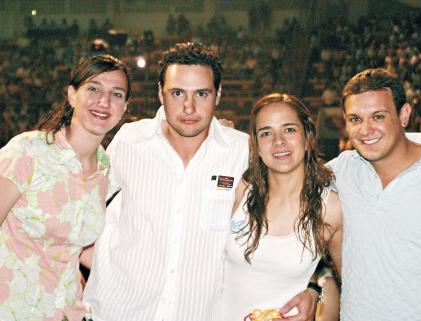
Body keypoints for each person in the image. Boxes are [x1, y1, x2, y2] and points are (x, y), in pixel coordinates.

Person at [83, 42, 319, 321]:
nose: (189, 106)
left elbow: (295, 218)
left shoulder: (243, 152)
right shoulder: (130, 140)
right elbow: (78, 211)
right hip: (117, 313)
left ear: (217, 95)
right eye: (177, 92)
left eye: (202, 94)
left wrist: (316, 285)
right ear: (160, 92)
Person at [329, 68, 421, 321]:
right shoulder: (344, 169)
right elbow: (285, 178)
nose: (366, 130)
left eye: (378, 116)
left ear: (404, 115)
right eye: (355, 119)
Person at [0, 54, 131, 321]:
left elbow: (78, 249)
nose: (104, 102)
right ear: (72, 95)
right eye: (93, 88)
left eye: (116, 94)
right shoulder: (28, 151)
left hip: (66, 313)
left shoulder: (106, 172)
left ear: (125, 107)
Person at [218, 93, 342, 321]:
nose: (278, 141)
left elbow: (352, 285)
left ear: (307, 137)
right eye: (266, 133)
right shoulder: (239, 190)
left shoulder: (330, 207)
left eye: (289, 129)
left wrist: (317, 293)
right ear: (256, 145)